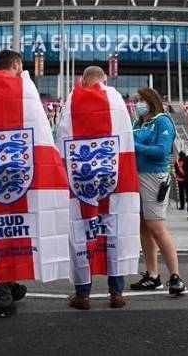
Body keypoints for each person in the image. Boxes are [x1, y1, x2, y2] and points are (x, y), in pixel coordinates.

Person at [0, 49, 70, 318]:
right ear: (17, 64)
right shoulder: (26, 90)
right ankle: (5, 293)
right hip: (24, 176)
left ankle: (7, 287)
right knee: (23, 230)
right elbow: (42, 134)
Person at [58, 66, 139, 310]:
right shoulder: (116, 100)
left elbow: (62, 138)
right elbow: (126, 138)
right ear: (104, 80)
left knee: (81, 230)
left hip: (81, 181)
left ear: (83, 80)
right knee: (116, 230)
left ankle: (83, 295)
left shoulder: (72, 101)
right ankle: (117, 293)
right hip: (114, 178)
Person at [129, 87, 186, 295]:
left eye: (141, 99)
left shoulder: (162, 121)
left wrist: (135, 146)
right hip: (137, 176)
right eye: (136, 100)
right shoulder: (138, 123)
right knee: (144, 227)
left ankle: (176, 276)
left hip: (154, 176)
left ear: (151, 100)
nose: (137, 103)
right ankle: (152, 275)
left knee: (156, 226)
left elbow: (162, 151)